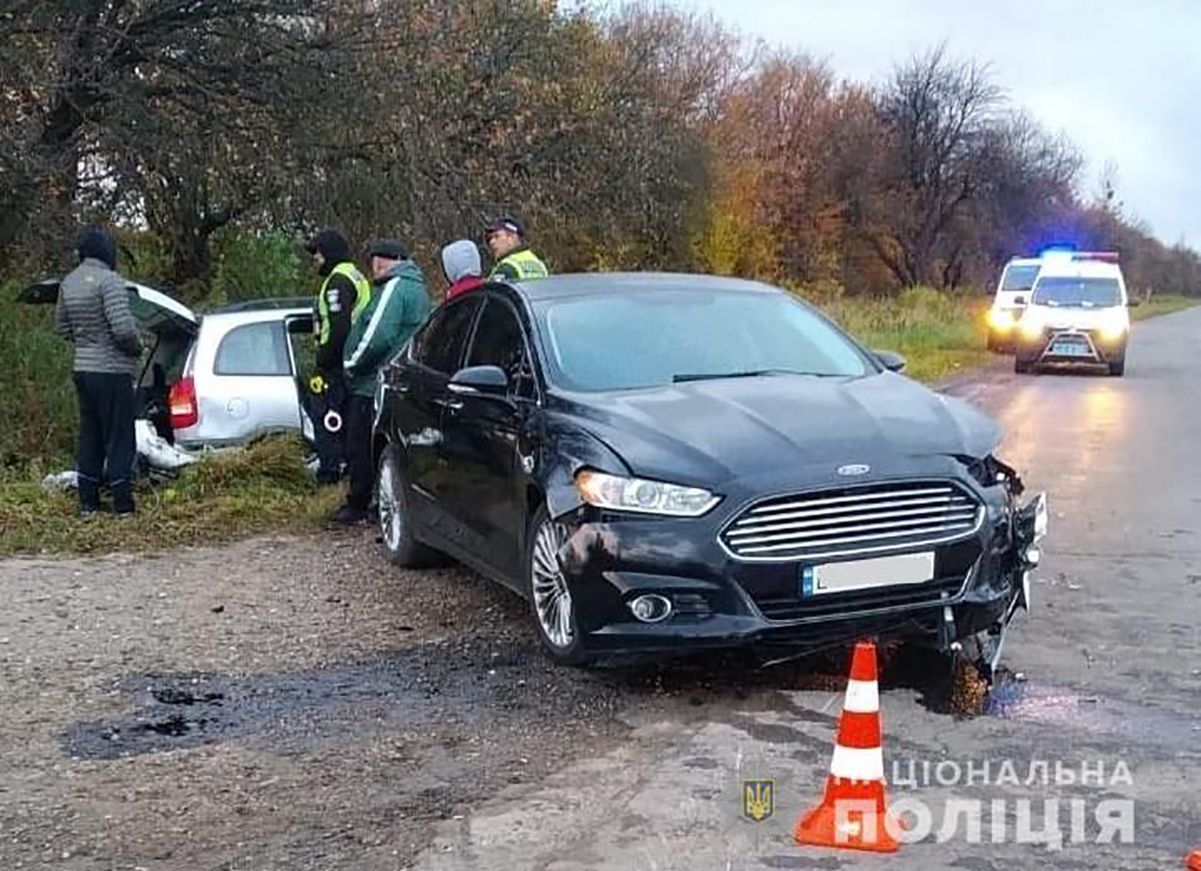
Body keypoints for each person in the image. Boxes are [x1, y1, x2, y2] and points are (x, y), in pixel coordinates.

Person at [333, 239, 431, 524]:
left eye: (374, 262)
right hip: (398, 380)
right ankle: (382, 502)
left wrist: (350, 364)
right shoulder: (417, 288)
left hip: (372, 383)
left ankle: (359, 504)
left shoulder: (394, 288)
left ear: (380, 262)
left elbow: (379, 335)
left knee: (360, 446)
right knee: (384, 449)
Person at [54, 226, 142, 517]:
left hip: (83, 370)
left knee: (90, 436)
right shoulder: (110, 281)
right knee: (119, 438)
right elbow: (124, 330)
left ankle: (88, 504)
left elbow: (62, 327)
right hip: (112, 371)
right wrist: (137, 347)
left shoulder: (68, 282)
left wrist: (87, 342)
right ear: (107, 251)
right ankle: (123, 505)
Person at [304, 229, 371, 484]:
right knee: (343, 418)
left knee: (326, 417)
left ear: (329, 252)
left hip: (335, 364)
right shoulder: (355, 276)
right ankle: (344, 468)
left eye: (317, 253)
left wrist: (324, 360)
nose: (315, 259)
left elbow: (339, 327)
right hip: (350, 361)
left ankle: (330, 473)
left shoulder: (338, 281)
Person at [484, 215, 548, 281]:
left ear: (511, 238)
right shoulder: (539, 264)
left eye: (497, 236)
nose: (492, 242)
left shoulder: (506, 268)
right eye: (490, 238)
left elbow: (493, 290)